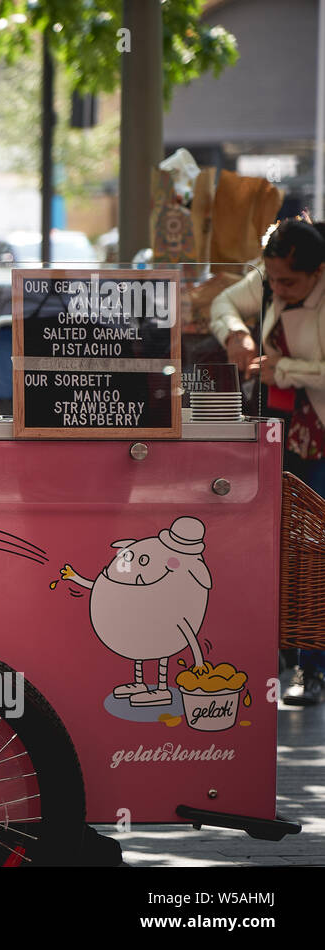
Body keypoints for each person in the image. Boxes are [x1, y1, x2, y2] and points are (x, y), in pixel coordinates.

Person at [210, 217, 325, 704]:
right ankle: (282, 655)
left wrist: (284, 368)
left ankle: (311, 666)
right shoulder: (269, 276)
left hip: (316, 429)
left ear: (319, 272)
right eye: (271, 279)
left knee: (315, 550)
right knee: (281, 542)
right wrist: (236, 332)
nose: (276, 289)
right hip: (279, 429)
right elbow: (223, 303)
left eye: (288, 283)